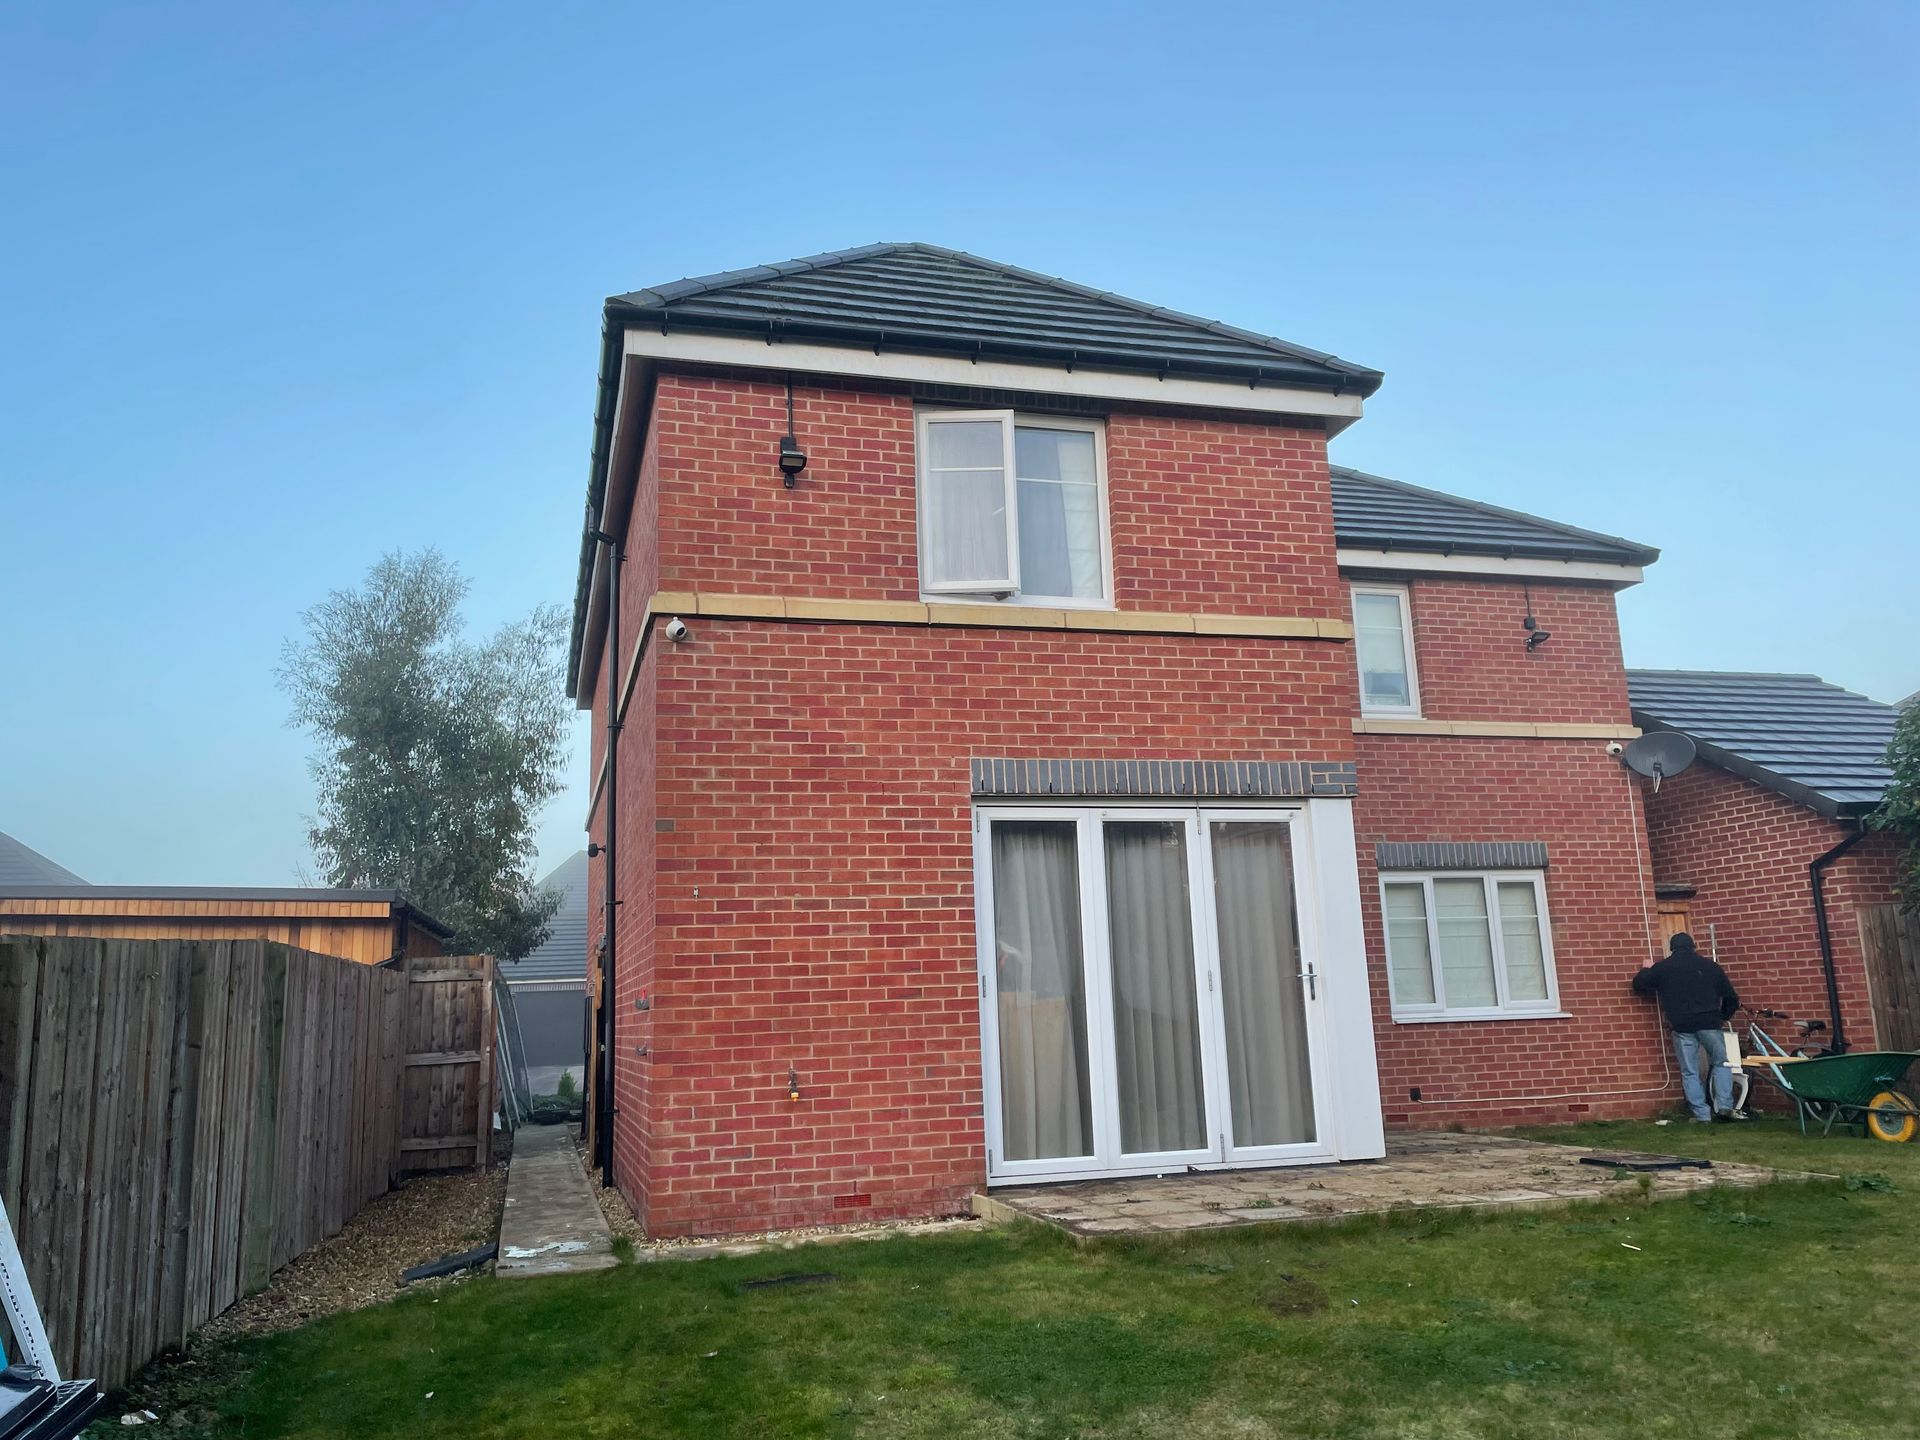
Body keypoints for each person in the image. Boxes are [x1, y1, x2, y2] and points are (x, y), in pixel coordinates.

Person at [1632, 932, 1740, 1122]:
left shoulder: (1664, 967)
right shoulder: (1711, 967)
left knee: (1690, 1071)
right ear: (1693, 946)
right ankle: (1724, 1107)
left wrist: (1646, 969)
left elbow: (1639, 985)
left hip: (1682, 1025)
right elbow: (1731, 998)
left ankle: (1701, 1114)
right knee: (1721, 1063)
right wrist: (1722, 1017)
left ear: (1672, 949)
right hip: (1710, 1022)